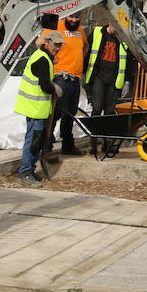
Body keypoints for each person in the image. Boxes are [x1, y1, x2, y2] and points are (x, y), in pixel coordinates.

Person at [14, 30, 63, 185]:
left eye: (60, 45)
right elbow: (44, 85)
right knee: (33, 142)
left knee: (37, 140)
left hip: (39, 107)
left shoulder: (45, 57)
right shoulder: (42, 59)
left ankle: (30, 170)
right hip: (34, 108)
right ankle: (26, 172)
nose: (58, 48)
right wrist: (54, 88)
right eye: (55, 45)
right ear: (46, 43)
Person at [52, 14, 88, 156]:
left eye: (77, 18)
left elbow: (85, 46)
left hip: (75, 78)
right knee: (57, 112)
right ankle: (47, 144)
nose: (74, 20)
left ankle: (67, 145)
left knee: (70, 113)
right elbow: (41, 43)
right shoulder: (56, 26)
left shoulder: (80, 30)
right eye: (71, 17)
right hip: (61, 77)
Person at [84, 21, 129, 115]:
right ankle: (94, 128)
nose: (118, 31)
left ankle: (106, 129)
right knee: (97, 106)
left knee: (110, 109)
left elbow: (128, 60)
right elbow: (86, 50)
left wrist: (127, 80)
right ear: (110, 23)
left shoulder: (123, 39)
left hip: (114, 78)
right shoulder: (97, 33)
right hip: (98, 76)